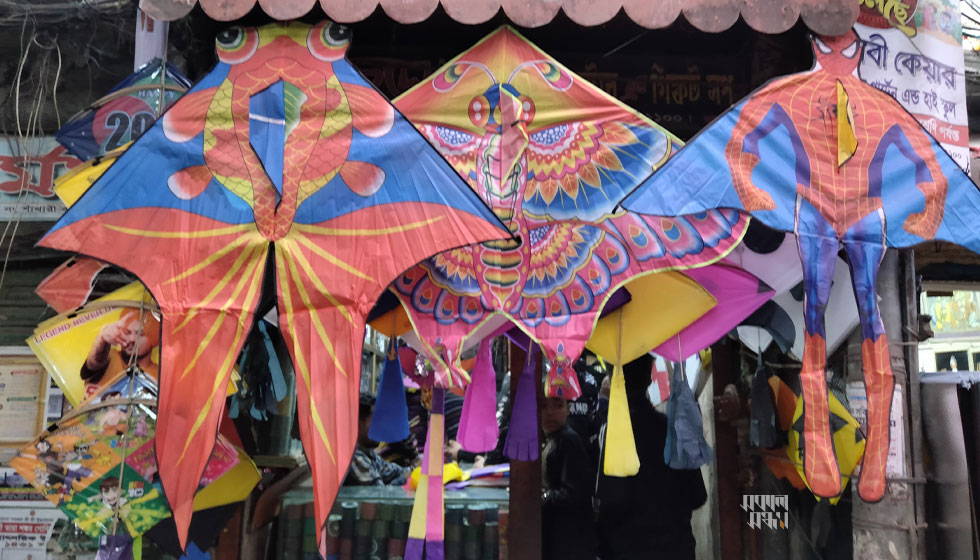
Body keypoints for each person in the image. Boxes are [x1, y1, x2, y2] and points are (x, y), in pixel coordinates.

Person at [596, 354, 707, 560]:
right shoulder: (674, 429)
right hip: (677, 549)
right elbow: (698, 495)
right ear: (650, 377)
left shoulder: (613, 434)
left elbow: (610, 502)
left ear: (612, 380)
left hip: (629, 551)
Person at [540, 396, 597, 560]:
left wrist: (542, 497)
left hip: (568, 539)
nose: (550, 413)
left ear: (568, 409)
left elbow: (573, 493)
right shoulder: (551, 438)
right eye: (544, 406)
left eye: (558, 406)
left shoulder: (568, 440)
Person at [345, 393, 413, 486]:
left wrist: (415, 469)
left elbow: (395, 471)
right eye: (376, 421)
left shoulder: (370, 454)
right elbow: (380, 494)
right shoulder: (354, 458)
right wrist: (405, 478)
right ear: (358, 424)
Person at [81, 309, 160, 387]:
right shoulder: (109, 356)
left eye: (140, 334)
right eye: (127, 332)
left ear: (154, 339)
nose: (132, 339)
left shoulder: (160, 376)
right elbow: (93, 364)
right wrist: (102, 340)